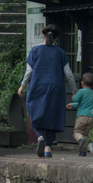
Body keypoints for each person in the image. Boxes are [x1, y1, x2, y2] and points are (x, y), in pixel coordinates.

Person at [17, 24, 77, 158]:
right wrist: (74, 90)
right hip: (56, 87)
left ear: (43, 36)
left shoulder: (35, 51)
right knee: (53, 115)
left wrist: (22, 86)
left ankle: (39, 138)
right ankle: (48, 149)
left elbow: (29, 71)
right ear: (57, 38)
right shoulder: (60, 52)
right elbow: (69, 74)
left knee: (35, 111)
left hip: (37, 86)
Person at [67, 72, 93, 156]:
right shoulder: (92, 93)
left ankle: (81, 140)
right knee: (86, 134)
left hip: (82, 116)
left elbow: (76, 99)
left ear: (82, 83)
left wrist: (73, 95)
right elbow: (82, 104)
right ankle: (83, 151)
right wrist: (72, 106)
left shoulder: (81, 91)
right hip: (92, 116)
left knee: (77, 132)